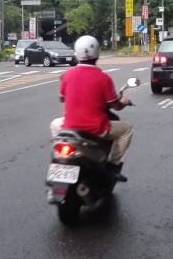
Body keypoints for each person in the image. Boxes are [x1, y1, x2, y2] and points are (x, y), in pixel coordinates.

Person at [50, 35, 133, 170]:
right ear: (97, 54)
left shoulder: (67, 75)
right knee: (126, 130)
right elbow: (115, 106)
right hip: (96, 128)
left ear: (76, 53)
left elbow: (62, 98)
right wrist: (123, 102)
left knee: (54, 124)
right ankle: (114, 166)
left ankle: (59, 157)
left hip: (68, 127)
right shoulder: (103, 78)